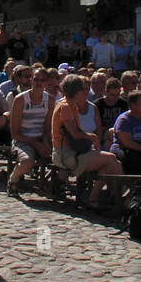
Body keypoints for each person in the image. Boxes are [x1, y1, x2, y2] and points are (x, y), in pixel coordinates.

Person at [51, 74, 122, 209]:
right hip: (66, 154)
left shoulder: (72, 106)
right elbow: (75, 134)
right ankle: (102, 197)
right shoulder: (65, 107)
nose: (85, 92)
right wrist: (92, 137)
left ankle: (107, 196)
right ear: (77, 91)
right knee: (112, 159)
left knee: (113, 163)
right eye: (83, 89)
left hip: (75, 151)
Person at [7, 67, 54, 196]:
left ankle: (56, 185)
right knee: (27, 162)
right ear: (31, 80)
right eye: (36, 79)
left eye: (43, 80)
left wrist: (45, 142)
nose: (39, 83)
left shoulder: (49, 100)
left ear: (47, 82)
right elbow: (15, 133)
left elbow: (47, 126)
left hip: (40, 138)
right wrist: (35, 144)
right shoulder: (20, 100)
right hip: (22, 140)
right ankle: (13, 180)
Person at [110, 91, 141, 174]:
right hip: (124, 150)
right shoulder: (124, 120)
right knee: (135, 159)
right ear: (133, 104)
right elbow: (127, 143)